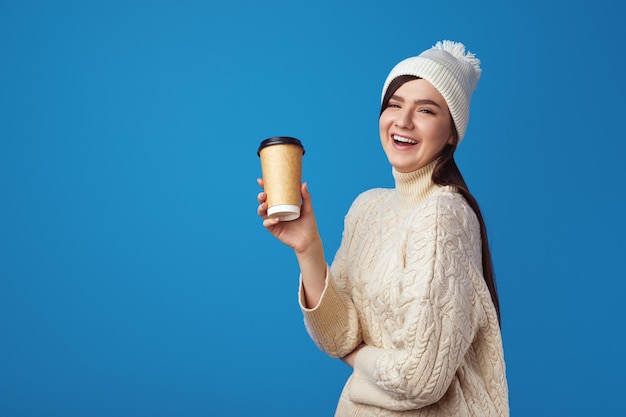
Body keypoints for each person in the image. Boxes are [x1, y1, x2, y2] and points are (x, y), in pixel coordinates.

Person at [257, 40, 509, 416]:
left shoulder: (444, 213)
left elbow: (421, 377)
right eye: (395, 104)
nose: (403, 121)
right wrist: (308, 247)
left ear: (452, 133)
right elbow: (337, 336)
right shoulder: (368, 207)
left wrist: (357, 358)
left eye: (426, 110)